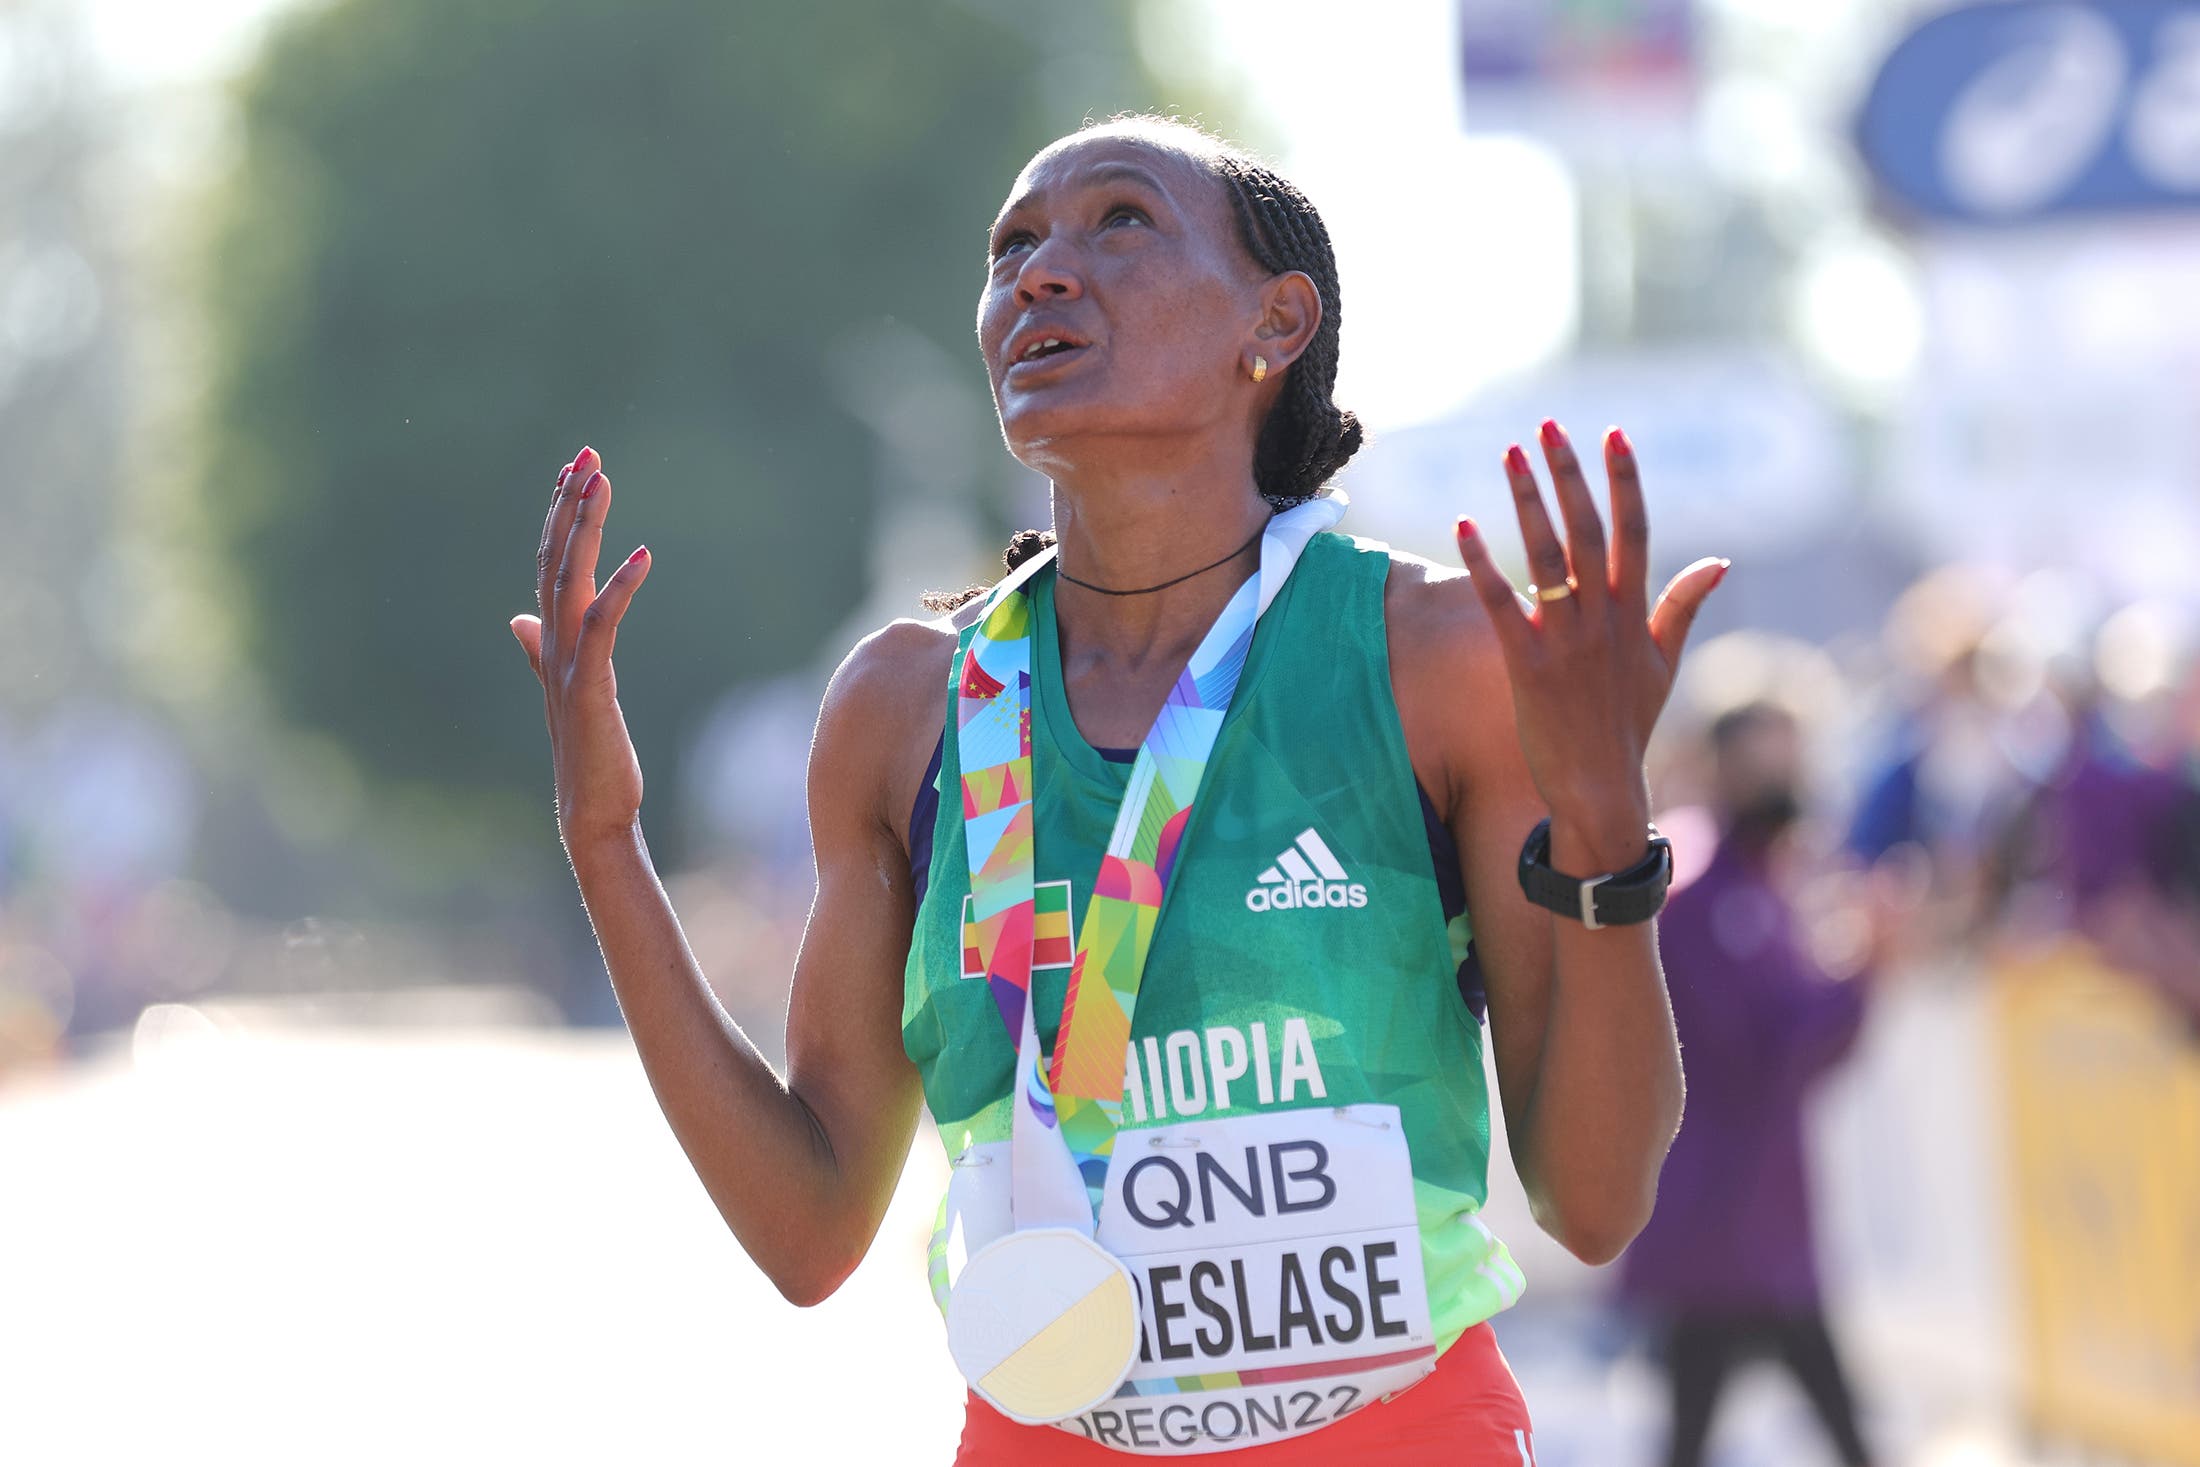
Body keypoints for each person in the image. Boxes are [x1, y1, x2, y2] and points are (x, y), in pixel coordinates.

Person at [509, 114, 1727, 1463]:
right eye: (1011, 247)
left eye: (1120, 223)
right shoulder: (909, 708)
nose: (1039, 272)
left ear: (1275, 322)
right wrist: (606, 843)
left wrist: (1610, 832)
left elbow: (1595, 1200)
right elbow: (808, 1232)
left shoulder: (1429, 656)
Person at [1616, 701, 1884, 1467]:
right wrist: (1866, 970)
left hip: (1761, 1212)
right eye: (1767, 760)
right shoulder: (1698, 888)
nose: (1784, 780)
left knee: (1720, 1426)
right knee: (1753, 1422)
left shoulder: (1773, 881)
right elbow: (1757, 1052)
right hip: (1719, 1217)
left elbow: (1808, 1050)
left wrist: (1860, 973)